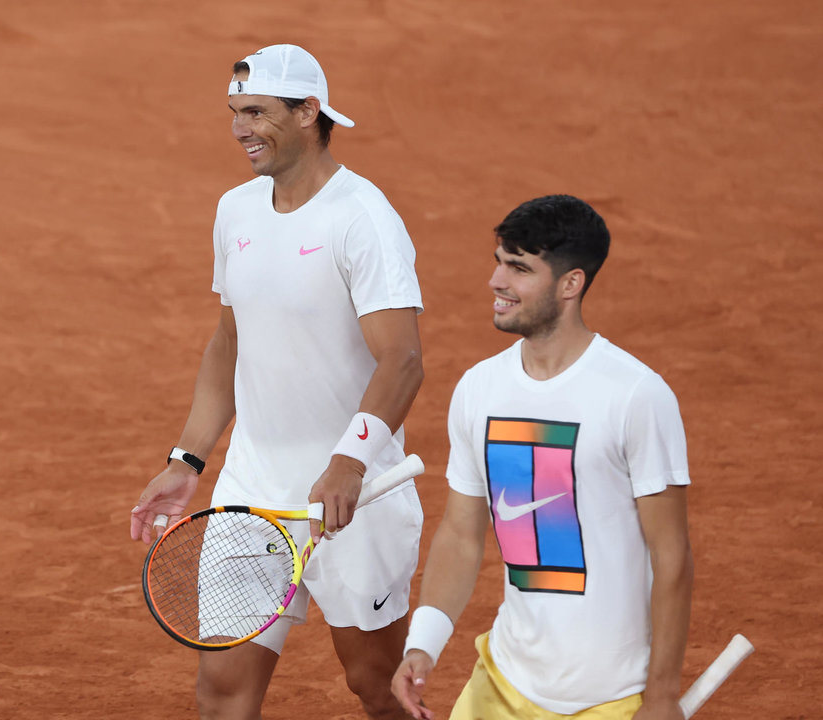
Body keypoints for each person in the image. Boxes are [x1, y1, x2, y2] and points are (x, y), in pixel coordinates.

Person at [130, 43, 425, 720]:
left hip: (356, 498)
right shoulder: (236, 210)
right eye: (235, 112)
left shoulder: (363, 220)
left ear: (308, 111)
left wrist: (348, 461)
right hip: (252, 495)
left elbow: (401, 359)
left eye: (256, 111)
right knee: (222, 695)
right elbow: (230, 342)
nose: (240, 128)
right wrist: (187, 459)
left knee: (376, 688)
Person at [391, 195, 694, 720]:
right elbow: (462, 533)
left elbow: (671, 557)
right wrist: (424, 643)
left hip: (609, 698)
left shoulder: (635, 397)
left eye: (519, 268)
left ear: (570, 284)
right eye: (499, 260)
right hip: (503, 683)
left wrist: (663, 695)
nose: (496, 281)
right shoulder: (479, 389)